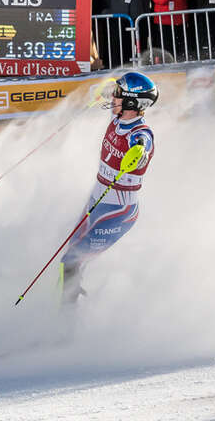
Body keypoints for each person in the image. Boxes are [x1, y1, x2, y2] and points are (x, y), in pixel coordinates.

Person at [60, 72, 158, 304]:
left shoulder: (140, 132)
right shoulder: (117, 119)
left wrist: (140, 152)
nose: (113, 98)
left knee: (71, 261)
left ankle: (66, 325)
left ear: (133, 103)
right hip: (98, 197)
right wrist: (110, 90)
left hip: (118, 209)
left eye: (118, 96)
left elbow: (144, 144)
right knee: (71, 254)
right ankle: (67, 308)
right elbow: (105, 92)